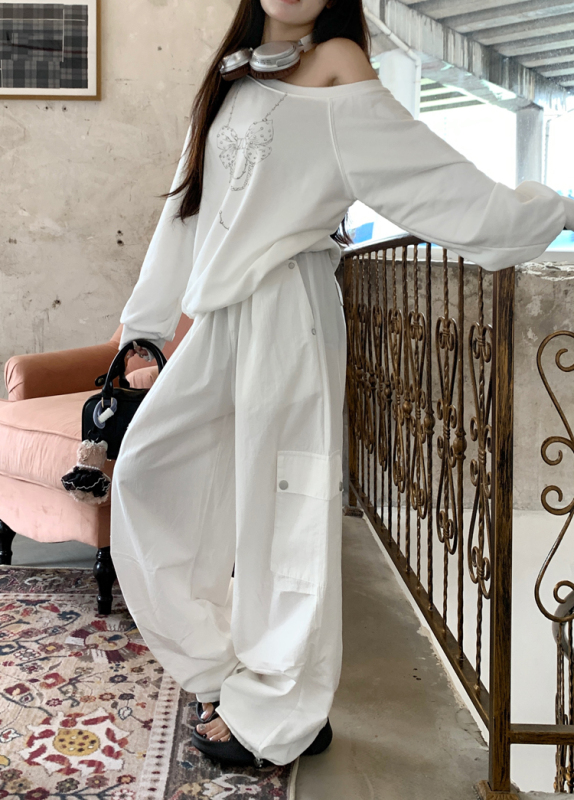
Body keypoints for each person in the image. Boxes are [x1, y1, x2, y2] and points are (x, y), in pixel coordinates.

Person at [111, 0, 574, 770]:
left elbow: (428, 177)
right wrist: (145, 327)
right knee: (147, 474)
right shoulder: (230, 76)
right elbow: (184, 211)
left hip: (289, 310)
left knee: (284, 509)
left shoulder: (339, 65)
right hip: (221, 317)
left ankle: (283, 709)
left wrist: (539, 210)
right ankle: (226, 668)